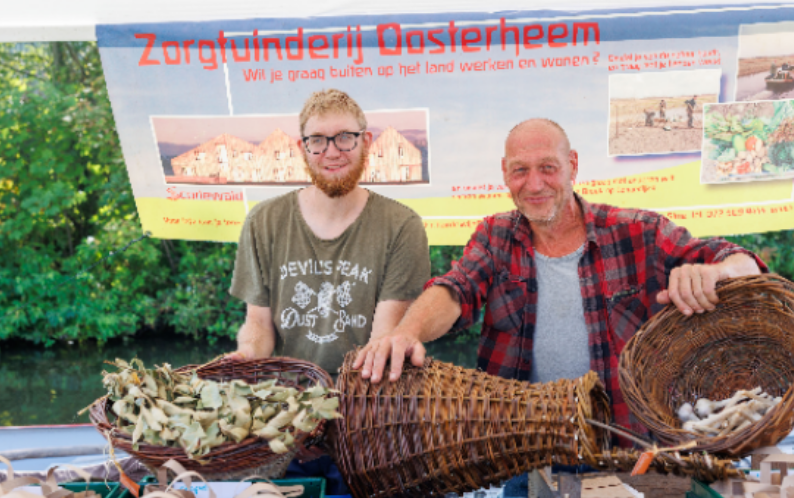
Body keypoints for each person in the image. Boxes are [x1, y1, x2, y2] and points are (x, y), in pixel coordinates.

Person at [354, 118, 766, 437]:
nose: (534, 184)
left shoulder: (639, 231)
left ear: (571, 166)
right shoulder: (495, 235)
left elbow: (745, 266)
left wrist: (714, 273)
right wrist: (407, 332)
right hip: (523, 449)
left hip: (631, 448)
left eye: (548, 168)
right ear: (504, 173)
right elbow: (456, 290)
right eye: (520, 171)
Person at [226, 89, 431, 376]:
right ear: (303, 148)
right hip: (290, 400)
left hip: (367, 398)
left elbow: (382, 341)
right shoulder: (263, 221)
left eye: (345, 137)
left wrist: (340, 402)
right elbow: (258, 324)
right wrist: (248, 352)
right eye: (318, 141)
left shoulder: (402, 226)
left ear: (366, 142)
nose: (332, 152)